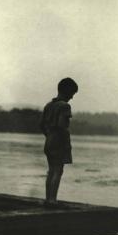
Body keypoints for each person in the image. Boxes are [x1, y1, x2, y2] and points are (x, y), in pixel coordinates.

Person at [39, 77, 78, 207]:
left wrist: (49, 135)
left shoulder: (48, 105)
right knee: (58, 170)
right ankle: (52, 200)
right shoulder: (65, 106)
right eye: (72, 93)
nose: (72, 97)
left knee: (51, 170)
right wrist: (64, 139)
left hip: (49, 140)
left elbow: (41, 125)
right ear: (67, 92)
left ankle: (48, 198)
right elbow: (62, 125)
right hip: (59, 141)